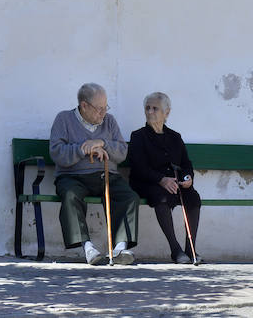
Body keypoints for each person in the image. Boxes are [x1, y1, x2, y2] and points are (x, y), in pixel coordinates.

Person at [49, 82, 140, 265]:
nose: (103, 113)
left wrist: (101, 143)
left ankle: (120, 248)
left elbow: (122, 151)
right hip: (72, 177)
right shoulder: (63, 119)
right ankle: (88, 248)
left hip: (105, 175)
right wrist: (84, 149)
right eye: (99, 109)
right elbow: (57, 152)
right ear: (84, 105)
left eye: (105, 107)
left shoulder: (110, 121)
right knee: (70, 195)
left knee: (129, 196)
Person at [128, 92, 202, 264]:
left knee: (193, 197)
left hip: (174, 183)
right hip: (147, 182)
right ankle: (175, 250)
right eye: (147, 108)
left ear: (166, 113)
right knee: (161, 196)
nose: (150, 111)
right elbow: (138, 166)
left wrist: (187, 178)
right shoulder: (138, 136)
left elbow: (186, 163)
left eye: (155, 108)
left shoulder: (175, 137)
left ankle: (190, 249)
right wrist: (161, 179)